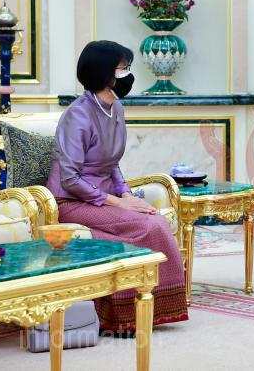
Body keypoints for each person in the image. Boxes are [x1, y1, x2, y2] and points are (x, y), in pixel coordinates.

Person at [47, 40, 188, 334]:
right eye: (122, 68)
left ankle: (149, 308)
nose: (127, 74)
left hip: (105, 198)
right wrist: (119, 203)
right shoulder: (78, 115)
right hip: (72, 201)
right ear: (103, 72)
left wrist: (125, 193)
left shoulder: (116, 108)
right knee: (151, 225)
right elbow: (70, 179)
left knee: (151, 217)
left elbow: (112, 164)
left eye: (127, 68)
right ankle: (132, 311)